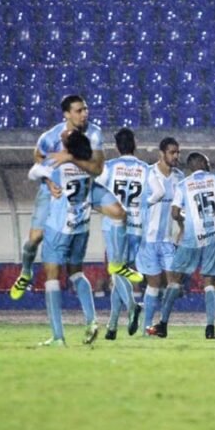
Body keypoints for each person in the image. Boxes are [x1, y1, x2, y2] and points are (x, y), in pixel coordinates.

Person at [11, 94, 140, 301]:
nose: (84, 114)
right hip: (57, 189)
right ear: (67, 114)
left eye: (85, 109)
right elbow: (38, 157)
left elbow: (97, 169)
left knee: (119, 213)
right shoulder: (51, 136)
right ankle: (26, 273)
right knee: (35, 239)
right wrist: (48, 181)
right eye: (79, 110)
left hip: (85, 185)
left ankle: (116, 262)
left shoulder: (95, 133)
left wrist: (71, 157)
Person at [29, 130, 140, 347]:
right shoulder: (88, 170)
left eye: (63, 138)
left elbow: (34, 171)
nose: (60, 137)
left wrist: (46, 178)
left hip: (59, 227)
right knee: (77, 273)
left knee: (52, 277)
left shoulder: (56, 164)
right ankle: (91, 320)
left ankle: (58, 337)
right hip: (80, 228)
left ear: (67, 147)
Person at [147, 152, 215, 339]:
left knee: (175, 279)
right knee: (209, 281)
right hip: (213, 236)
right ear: (201, 162)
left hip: (192, 237)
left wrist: (186, 221)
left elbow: (175, 213)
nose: (210, 165)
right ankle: (210, 327)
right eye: (208, 162)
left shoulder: (183, 184)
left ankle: (163, 324)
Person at [95, 128, 148, 340]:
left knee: (117, 272)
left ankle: (132, 306)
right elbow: (153, 198)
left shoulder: (109, 167)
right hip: (136, 227)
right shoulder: (146, 169)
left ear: (117, 146)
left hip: (114, 225)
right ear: (135, 144)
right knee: (119, 274)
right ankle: (113, 325)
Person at [136, 137, 184, 334]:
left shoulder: (180, 178)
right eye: (172, 152)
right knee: (153, 284)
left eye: (177, 152)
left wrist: (183, 228)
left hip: (168, 240)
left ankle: (162, 323)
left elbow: (184, 207)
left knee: (174, 283)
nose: (176, 156)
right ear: (161, 154)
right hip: (148, 240)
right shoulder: (148, 174)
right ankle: (147, 327)